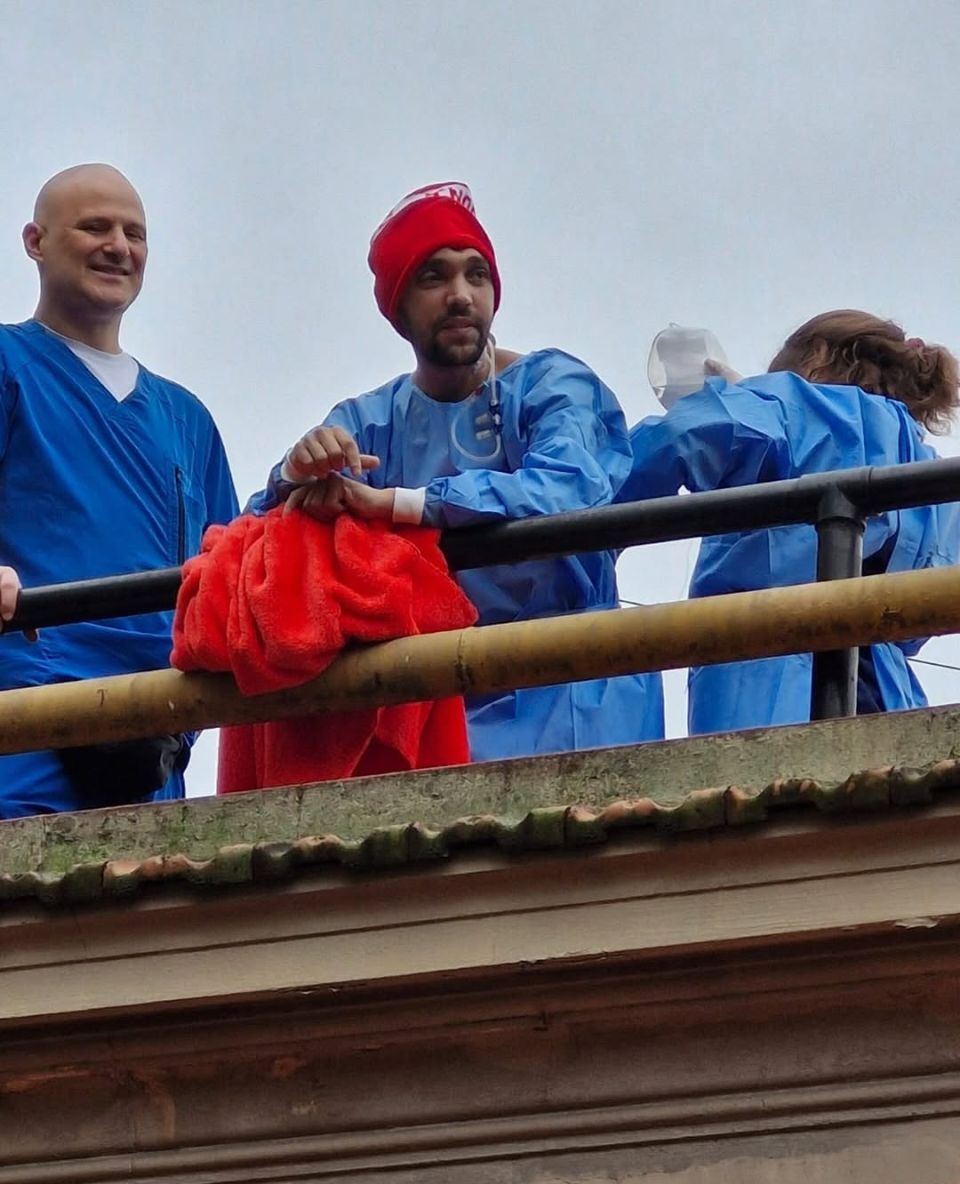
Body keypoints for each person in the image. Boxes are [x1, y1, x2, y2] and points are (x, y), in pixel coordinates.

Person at [248, 181, 663, 760]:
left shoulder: (554, 386)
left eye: (477, 274)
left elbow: (569, 486)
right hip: (433, 705)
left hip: (577, 694)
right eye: (433, 277)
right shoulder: (369, 422)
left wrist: (403, 505)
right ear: (398, 308)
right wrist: (295, 476)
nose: (461, 296)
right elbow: (262, 537)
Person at [0, 164, 238, 817]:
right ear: (36, 242)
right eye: (94, 227)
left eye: (134, 233)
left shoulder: (186, 419)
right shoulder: (10, 365)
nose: (118, 247)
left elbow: (231, 570)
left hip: (157, 735)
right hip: (26, 728)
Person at [621, 309, 960, 734]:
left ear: (816, 355)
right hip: (885, 693)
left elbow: (671, 441)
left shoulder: (788, 405)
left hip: (770, 678)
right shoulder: (931, 476)